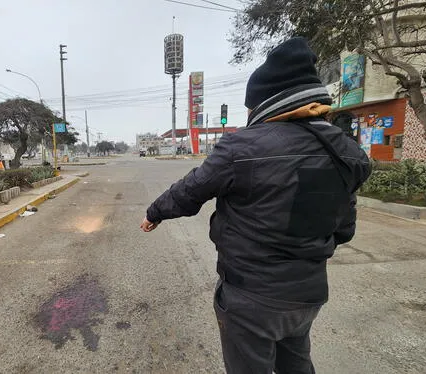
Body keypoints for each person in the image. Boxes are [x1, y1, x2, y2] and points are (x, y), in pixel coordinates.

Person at [141, 37, 371, 373]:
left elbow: (191, 190)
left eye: (251, 105)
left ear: (267, 102)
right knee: (296, 362)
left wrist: (155, 212)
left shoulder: (241, 147)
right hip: (308, 294)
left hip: (250, 297)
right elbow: (344, 230)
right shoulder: (344, 151)